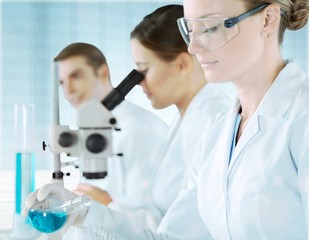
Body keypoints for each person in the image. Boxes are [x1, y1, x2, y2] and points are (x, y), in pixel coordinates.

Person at [23, 4, 234, 239]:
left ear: (182, 64)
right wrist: (83, 210)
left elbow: (168, 231)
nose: (139, 82)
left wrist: (92, 210)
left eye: (143, 70)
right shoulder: (187, 121)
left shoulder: (210, 126)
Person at [54, 42, 168, 223]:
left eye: (76, 76)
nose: (68, 91)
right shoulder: (90, 127)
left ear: (102, 72)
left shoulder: (141, 130)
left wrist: (106, 204)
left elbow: (156, 223)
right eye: (62, 83)